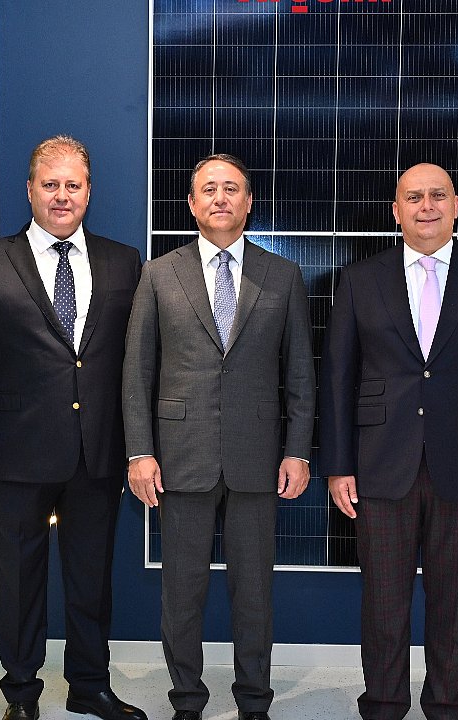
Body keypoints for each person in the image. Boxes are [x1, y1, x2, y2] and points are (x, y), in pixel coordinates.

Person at [318, 163, 458, 720]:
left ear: (457, 206)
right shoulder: (360, 280)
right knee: (383, 601)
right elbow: (337, 379)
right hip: (379, 465)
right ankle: (383, 704)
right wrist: (338, 465)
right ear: (396, 211)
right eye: (414, 197)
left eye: (438, 195)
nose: (427, 206)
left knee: (454, 602)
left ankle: (446, 704)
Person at [0, 135, 147, 720]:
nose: (62, 195)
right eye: (50, 184)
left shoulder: (123, 261)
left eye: (73, 185)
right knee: (17, 582)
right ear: (29, 189)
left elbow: (137, 362)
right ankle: (21, 693)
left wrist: (140, 446)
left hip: (96, 453)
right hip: (13, 453)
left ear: (89, 192)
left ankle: (89, 686)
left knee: (92, 580)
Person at [122, 154, 315, 720]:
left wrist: (298, 451)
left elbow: (300, 374)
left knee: (253, 594)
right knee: (182, 594)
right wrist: (140, 452)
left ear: (249, 203)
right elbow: (137, 372)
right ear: (191, 203)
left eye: (232, 188)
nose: (220, 198)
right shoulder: (159, 274)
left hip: (259, 458)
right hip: (180, 457)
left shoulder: (282, 275)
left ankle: (254, 702)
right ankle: (187, 701)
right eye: (209, 189)